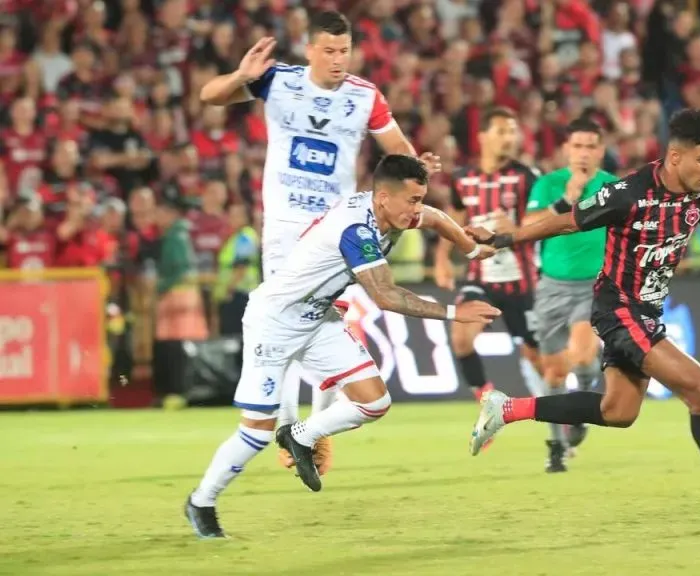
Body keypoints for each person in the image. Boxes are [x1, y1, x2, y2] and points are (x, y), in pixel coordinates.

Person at [464, 109, 700, 528]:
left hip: (647, 311)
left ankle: (505, 409)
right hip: (618, 309)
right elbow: (566, 223)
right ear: (675, 157)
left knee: (619, 411)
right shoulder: (628, 193)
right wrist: (503, 239)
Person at [185, 156, 499, 538]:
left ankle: (301, 434)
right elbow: (385, 295)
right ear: (383, 197)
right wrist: (453, 312)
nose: (417, 209)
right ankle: (202, 500)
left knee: (375, 402)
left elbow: (434, 217)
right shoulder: (356, 229)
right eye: (412, 200)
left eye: (419, 198)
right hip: (274, 322)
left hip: (318, 319)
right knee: (257, 432)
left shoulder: (392, 210)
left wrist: (469, 249)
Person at [197, 11, 441, 476]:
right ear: (309, 49)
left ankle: (306, 433)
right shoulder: (277, 81)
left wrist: (418, 166)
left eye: (344, 50)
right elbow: (209, 97)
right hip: (286, 225)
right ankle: (293, 428)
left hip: (337, 229)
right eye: (328, 50)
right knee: (291, 318)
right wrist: (241, 77)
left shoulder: (364, 95)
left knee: (327, 316)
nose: (336, 59)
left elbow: (398, 151)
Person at [433, 106, 546, 432]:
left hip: (522, 282)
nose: (509, 138)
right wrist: (442, 258)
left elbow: (543, 224)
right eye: (501, 131)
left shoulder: (528, 177)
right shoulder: (462, 179)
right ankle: (487, 405)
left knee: (539, 359)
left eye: (513, 131)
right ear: (482, 137)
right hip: (481, 279)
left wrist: (517, 227)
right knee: (461, 336)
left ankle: (556, 418)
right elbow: (452, 222)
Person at [523, 116, 619, 472]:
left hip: (594, 285)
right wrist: (567, 199)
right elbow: (529, 227)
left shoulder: (613, 187)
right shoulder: (549, 185)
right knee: (553, 374)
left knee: (581, 355)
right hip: (551, 286)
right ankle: (557, 443)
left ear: (601, 151)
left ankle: (583, 391)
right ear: (566, 149)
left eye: (590, 146)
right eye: (577, 145)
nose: (583, 153)